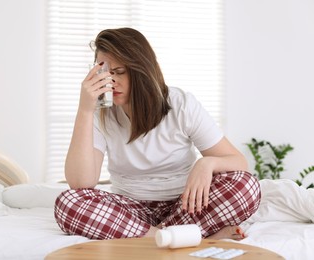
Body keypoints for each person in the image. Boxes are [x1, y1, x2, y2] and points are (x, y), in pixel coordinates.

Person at [54, 27, 261, 241]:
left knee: (247, 186)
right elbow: (80, 183)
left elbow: (239, 162)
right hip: (131, 210)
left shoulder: (181, 104)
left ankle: (156, 237)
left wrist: (206, 164)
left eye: (119, 72)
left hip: (185, 204)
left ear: (141, 69)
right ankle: (176, 237)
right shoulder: (100, 113)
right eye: (104, 72)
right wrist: (85, 110)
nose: (110, 81)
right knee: (68, 203)